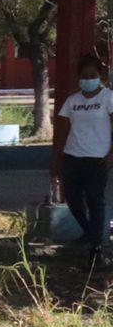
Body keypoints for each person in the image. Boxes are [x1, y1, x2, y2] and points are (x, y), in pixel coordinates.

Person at [52, 52, 113, 265]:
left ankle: (96, 246)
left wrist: (111, 154)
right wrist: (57, 160)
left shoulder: (108, 98)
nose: (88, 79)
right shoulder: (72, 100)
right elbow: (61, 131)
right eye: (84, 76)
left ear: (100, 76)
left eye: (92, 75)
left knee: (95, 200)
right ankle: (88, 232)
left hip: (97, 158)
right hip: (72, 156)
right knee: (73, 199)